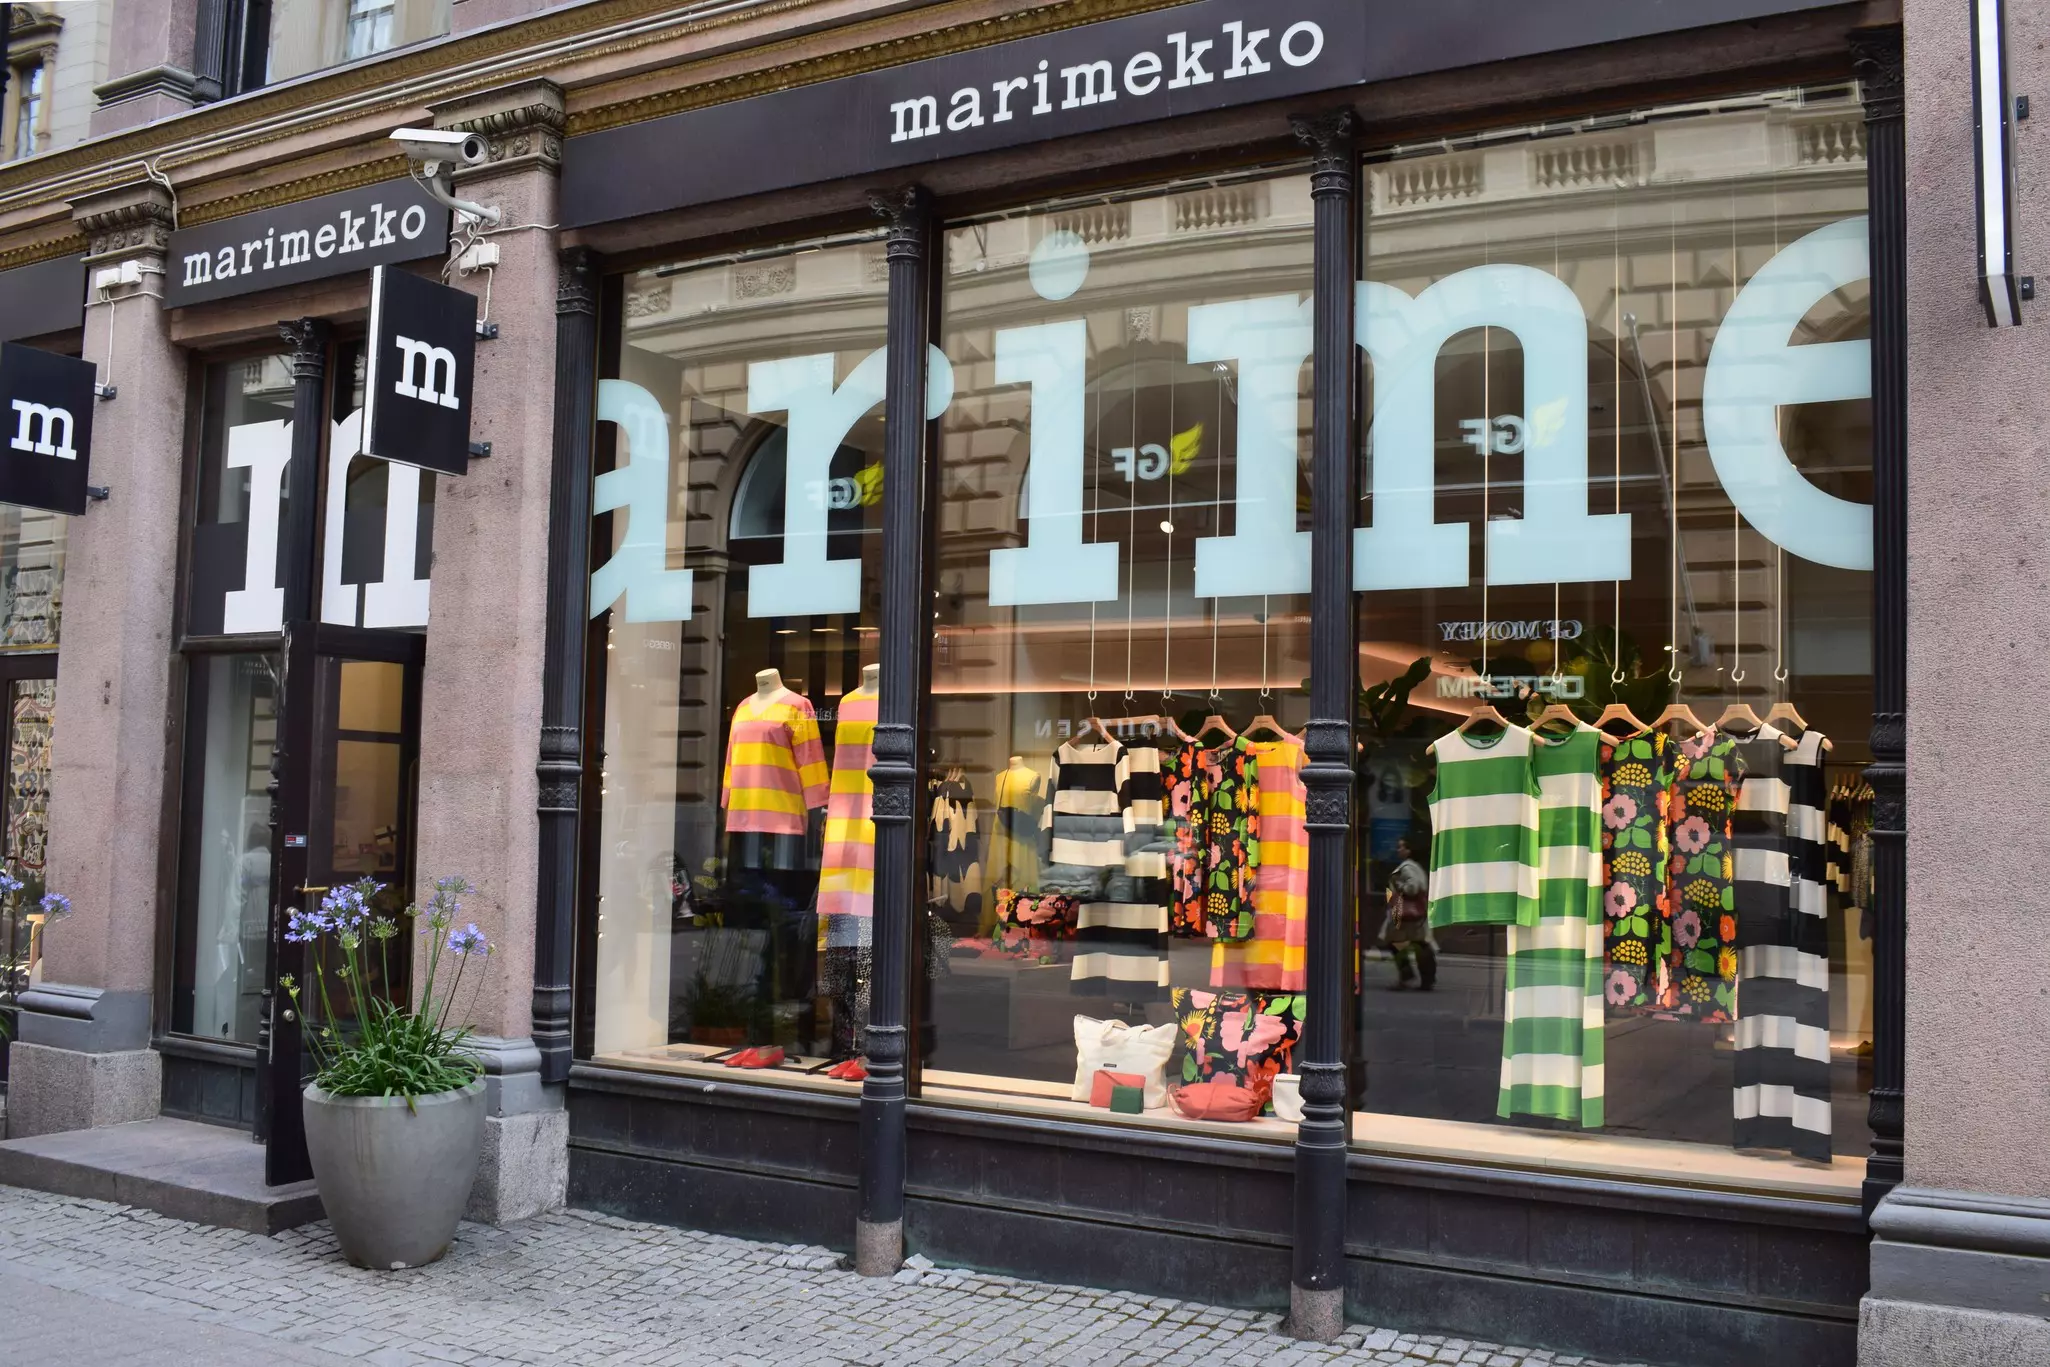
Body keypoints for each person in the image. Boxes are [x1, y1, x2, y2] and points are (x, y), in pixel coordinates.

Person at [1382, 837, 1435, 990]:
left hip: (1407, 915)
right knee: (1420, 944)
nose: (1398, 850)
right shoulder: (1415, 866)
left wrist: (1399, 886)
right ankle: (1427, 979)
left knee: (1396, 943)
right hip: (1416, 914)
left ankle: (1407, 976)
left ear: (1409, 850)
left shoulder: (1407, 867)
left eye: (1401, 847)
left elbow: (1413, 887)